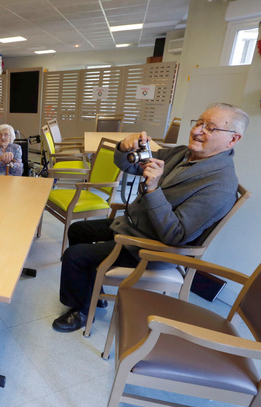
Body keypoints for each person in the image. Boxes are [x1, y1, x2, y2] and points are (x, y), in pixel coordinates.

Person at [53, 103, 248, 332]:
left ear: (233, 139)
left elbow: (175, 235)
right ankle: (90, 289)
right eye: (199, 123)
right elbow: (134, 166)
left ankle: (82, 311)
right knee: (78, 231)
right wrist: (125, 148)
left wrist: (153, 189)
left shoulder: (219, 186)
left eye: (211, 128)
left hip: (150, 247)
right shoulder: (183, 154)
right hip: (135, 225)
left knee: (74, 255)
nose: (197, 131)